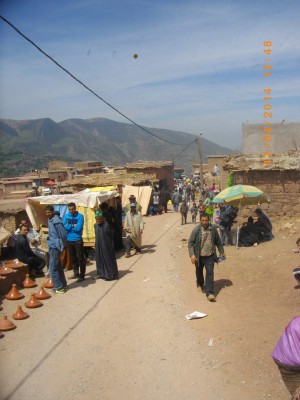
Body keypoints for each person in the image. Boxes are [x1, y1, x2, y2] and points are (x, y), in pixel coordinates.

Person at [188, 213, 225, 301]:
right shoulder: (196, 230)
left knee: (210, 274)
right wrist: (192, 255)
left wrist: (222, 251)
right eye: (203, 220)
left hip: (210, 255)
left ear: (209, 221)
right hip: (199, 256)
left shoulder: (213, 229)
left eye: (206, 220)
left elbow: (218, 241)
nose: (205, 222)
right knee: (199, 272)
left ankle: (210, 293)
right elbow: (190, 243)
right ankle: (200, 284)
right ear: (200, 221)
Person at [45, 205, 67, 293]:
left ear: (53, 212)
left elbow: (63, 234)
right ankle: (63, 285)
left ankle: (59, 288)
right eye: (46, 212)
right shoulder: (49, 220)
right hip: (52, 245)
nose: (47, 214)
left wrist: (61, 245)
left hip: (55, 247)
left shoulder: (56, 221)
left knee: (52, 269)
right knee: (58, 267)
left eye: (49, 212)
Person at [62, 202, 86, 282]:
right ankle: (76, 273)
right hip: (69, 240)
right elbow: (63, 226)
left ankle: (82, 275)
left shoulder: (80, 216)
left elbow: (78, 228)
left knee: (81, 258)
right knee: (73, 258)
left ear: (75, 208)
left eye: (72, 209)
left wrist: (68, 226)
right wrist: (72, 226)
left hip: (78, 239)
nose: (71, 211)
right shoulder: (66, 216)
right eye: (69, 209)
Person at [94, 211, 118, 281]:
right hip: (98, 245)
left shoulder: (107, 225)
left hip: (106, 245)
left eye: (99, 219)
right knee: (99, 259)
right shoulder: (95, 225)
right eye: (97, 219)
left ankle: (110, 275)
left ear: (102, 219)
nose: (98, 221)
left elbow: (111, 235)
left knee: (108, 259)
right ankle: (100, 274)